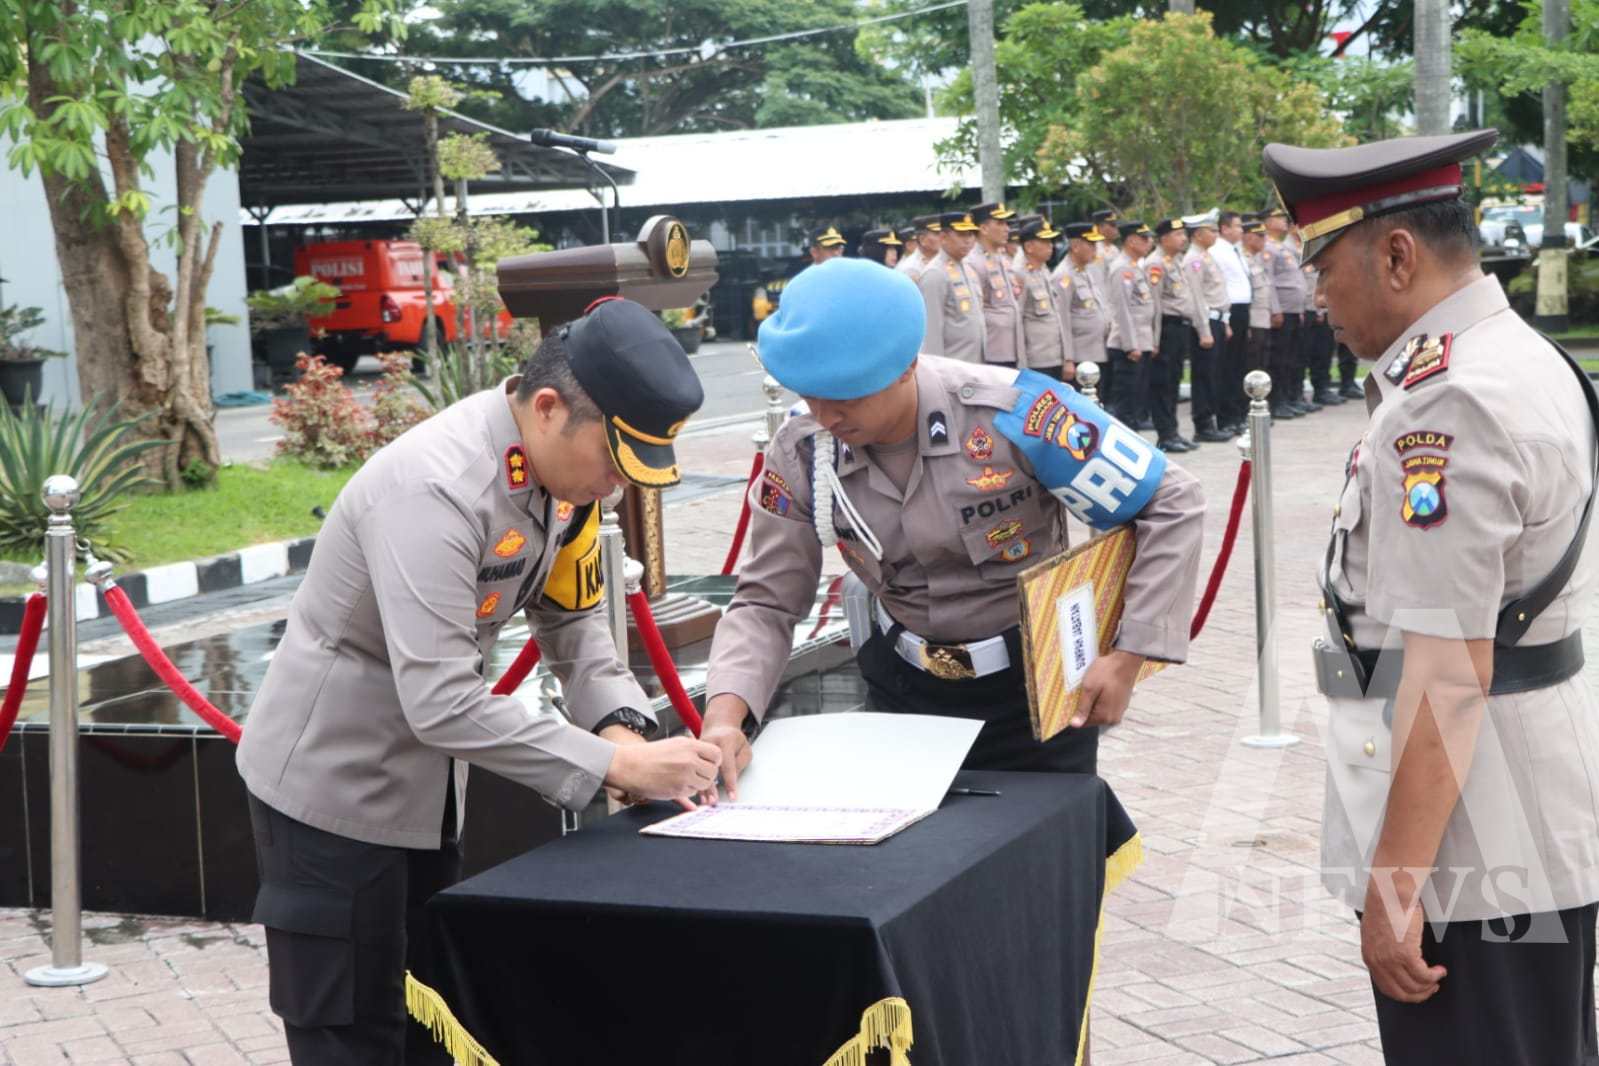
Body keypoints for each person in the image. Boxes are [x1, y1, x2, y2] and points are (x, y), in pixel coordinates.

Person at [236, 298, 725, 1064]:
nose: (614, 488)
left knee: (435, 1015)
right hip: (332, 790)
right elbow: (438, 699)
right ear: (547, 407)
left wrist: (622, 727)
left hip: (429, 789)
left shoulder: (568, 484)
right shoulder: (435, 490)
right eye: (611, 461)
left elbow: (573, 625)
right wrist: (614, 767)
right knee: (350, 1027)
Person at [1267, 127, 1599, 1065]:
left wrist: (1397, 883)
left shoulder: (1446, 401)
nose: (1316, 298)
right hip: (1519, 800)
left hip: (1475, 836)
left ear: (1397, 255)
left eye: (1323, 268)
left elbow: (1450, 669)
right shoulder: (1514, 355)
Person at [700, 255, 1203, 793]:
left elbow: (1171, 501)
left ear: (906, 367)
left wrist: (1128, 656)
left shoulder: (1015, 415)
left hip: (1034, 689)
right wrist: (725, 718)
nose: (825, 417)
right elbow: (767, 600)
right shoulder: (804, 452)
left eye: (844, 396)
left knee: (1046, 861)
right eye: (810, 394)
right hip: (903, 691)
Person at [1182, 214, 1237, 442]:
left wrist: (1224, 322)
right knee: (1204, 375)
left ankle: (1212, 421)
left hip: (1217, 319)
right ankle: (1203, 425)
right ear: (1197, 234)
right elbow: (1196, 298)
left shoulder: (1206, 256)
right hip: (1205, 322)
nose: (1215, 235)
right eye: (1211, 231)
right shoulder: (1193, 260)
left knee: (1215, 373)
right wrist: (1204, 330)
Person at [1148, 218, 1198, 453]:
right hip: (1166, 329)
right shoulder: (1155, 264)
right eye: (1177, 235)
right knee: (1163, 383)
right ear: (1164, 238)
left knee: (1174, 381)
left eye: (1183, 234)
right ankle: (1165, 434)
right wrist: (1154, 339)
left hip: (1180, 327)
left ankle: (1173, 431)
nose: (1183, 238)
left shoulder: (1175, 261)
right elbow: (1154, 306)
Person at [1104, 221, 1158, 434]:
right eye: (1144, 238)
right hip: (1129, 345)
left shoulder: (1135, 266)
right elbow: (1122, 310)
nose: (1149, 242)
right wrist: (1130, 345)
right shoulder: (1122, 269)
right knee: (1126, 403)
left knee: (1137, 399)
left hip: (1141, 341)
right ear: (1131, 241)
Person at [1263, 207, 1316, 414]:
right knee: (1280, 358)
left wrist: (1301, 307)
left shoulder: (1280, 246)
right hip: (1282, 311)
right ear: (1267, 222)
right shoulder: (1268, 247)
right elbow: (1269, 281)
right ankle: (1278, 402)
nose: (1284, 221)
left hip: (1294, 309)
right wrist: (1275, 309)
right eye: (1278, 218)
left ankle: (1290, 398)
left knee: (1293, 357)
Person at [916, 210, 987, 362]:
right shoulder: (935, 273)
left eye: (970, 234)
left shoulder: (968, 269)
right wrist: (937, 373)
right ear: (943, 237)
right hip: (954, 365)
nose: (968, 240)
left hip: (976, 361)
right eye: (961, 234)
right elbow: (931, 331)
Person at [1212, 210, 1255, 435]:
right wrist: (1227, 318)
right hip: (1230, 311)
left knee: (1239, 365)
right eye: (1237, 226)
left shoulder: (1235, 250)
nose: (1241, 230)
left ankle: (1238, 413)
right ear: (1225, 228)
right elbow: (1221, 287)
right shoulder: (1217, 251)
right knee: (1227, 367)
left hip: (1242, 311)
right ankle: (1226, 417)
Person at [1055, 222, 1110, 396]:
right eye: (1091, 244)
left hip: (1097, 351)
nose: (1095, 249)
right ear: (1075, 246)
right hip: (1080, 356)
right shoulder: (1063, 276)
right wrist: (1068, 359)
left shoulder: (1086, 271)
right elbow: (1062, 320)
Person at [1014, 216, 1072, 381]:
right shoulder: (1019, 273)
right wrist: (1022, 363)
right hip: (1036, 359)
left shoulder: (1044, 271)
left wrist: (1066, 356)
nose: (1051, 246)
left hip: (1053, 355)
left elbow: (1058, 316)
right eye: (1045, 241)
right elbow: (1018, 320)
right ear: (1029, 246)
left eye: (1051, 241)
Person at [969, 202, 1026, 367]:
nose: (1007, 228)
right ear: (984, 229)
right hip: (992, 351)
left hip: (1012, 346)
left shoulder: (1002, 259)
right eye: (1000, 223)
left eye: (1007, 223)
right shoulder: (973, 262)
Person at [1240, 219, 1282, 391]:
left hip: (1263, 319)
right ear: (1249, 237)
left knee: (1262, 362)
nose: (1264, 240)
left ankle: (1259, 398)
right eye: (1260, 236)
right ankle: (1250, 400)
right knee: (1252, 364)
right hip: (1253, 320)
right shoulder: (1243, 260)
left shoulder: (1257, 259)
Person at [898, 215, 942, 283]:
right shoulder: (911, 269)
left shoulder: (944, 259)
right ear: (922, 239)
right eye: (937, 234)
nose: (942, 237)